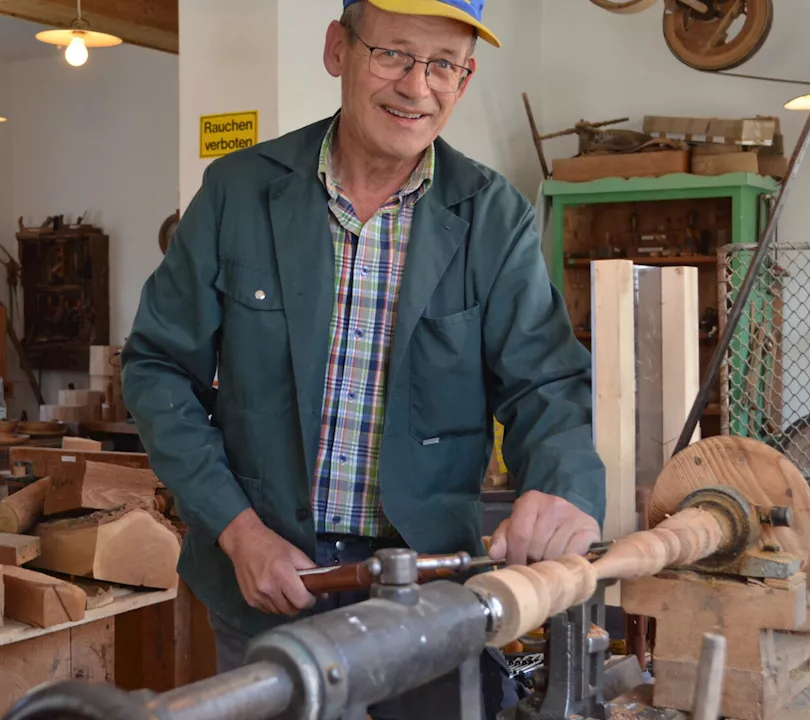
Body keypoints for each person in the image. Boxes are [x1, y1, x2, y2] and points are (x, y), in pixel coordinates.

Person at [121, 0, 606, 715]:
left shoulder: (492, 216)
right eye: (394, 55)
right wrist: (238, 530)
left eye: (443, 64)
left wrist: (561, 486)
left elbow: (548, 383)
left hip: (426, 594)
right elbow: (158, 367)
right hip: (267, 580)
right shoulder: (239, 192)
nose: (417, 86)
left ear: (464, 80)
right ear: (337, 50)